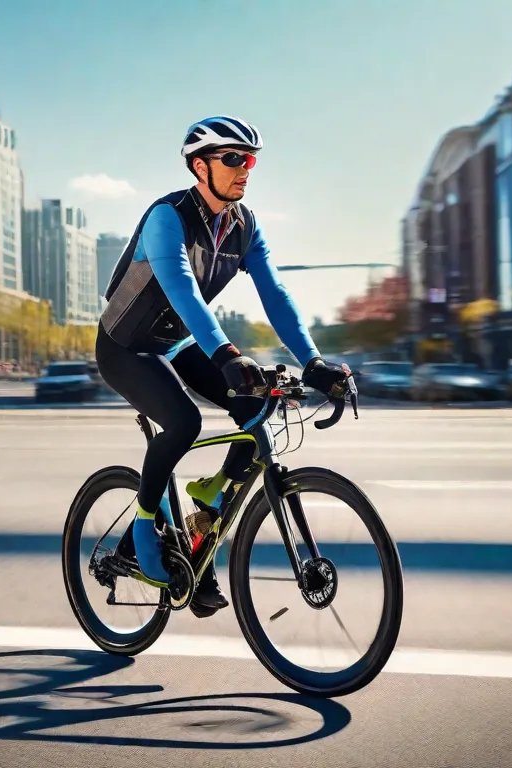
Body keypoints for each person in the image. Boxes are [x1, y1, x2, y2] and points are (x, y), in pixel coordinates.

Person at [96, 115, 348, 618]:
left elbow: (275, 295)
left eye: (249, 159)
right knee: (184, 422)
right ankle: (145, 524)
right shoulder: (167, 217)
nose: (244, 168)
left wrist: (314, 363)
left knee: (257, 409)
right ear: (198, 166)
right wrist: (226, 353)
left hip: (179, 341)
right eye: (232, 158)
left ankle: (205, 514)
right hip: (126, 347)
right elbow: (182, 289)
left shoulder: (243, 225)